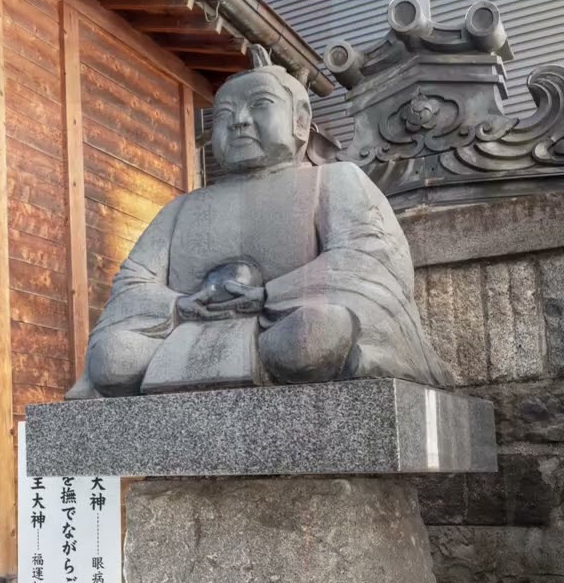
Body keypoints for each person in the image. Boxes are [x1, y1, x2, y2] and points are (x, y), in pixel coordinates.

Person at [66, 54, 451, 399]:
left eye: (259, 105)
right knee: (112, 359)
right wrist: (178, 305)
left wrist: (269, 295)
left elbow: (368, 259)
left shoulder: (334, 181)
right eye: (224, 114)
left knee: (315, 336)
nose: (240, 121)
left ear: (300, 121)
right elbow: (133, 283)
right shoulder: (181, 209)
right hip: (186, 331)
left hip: (285, 323)